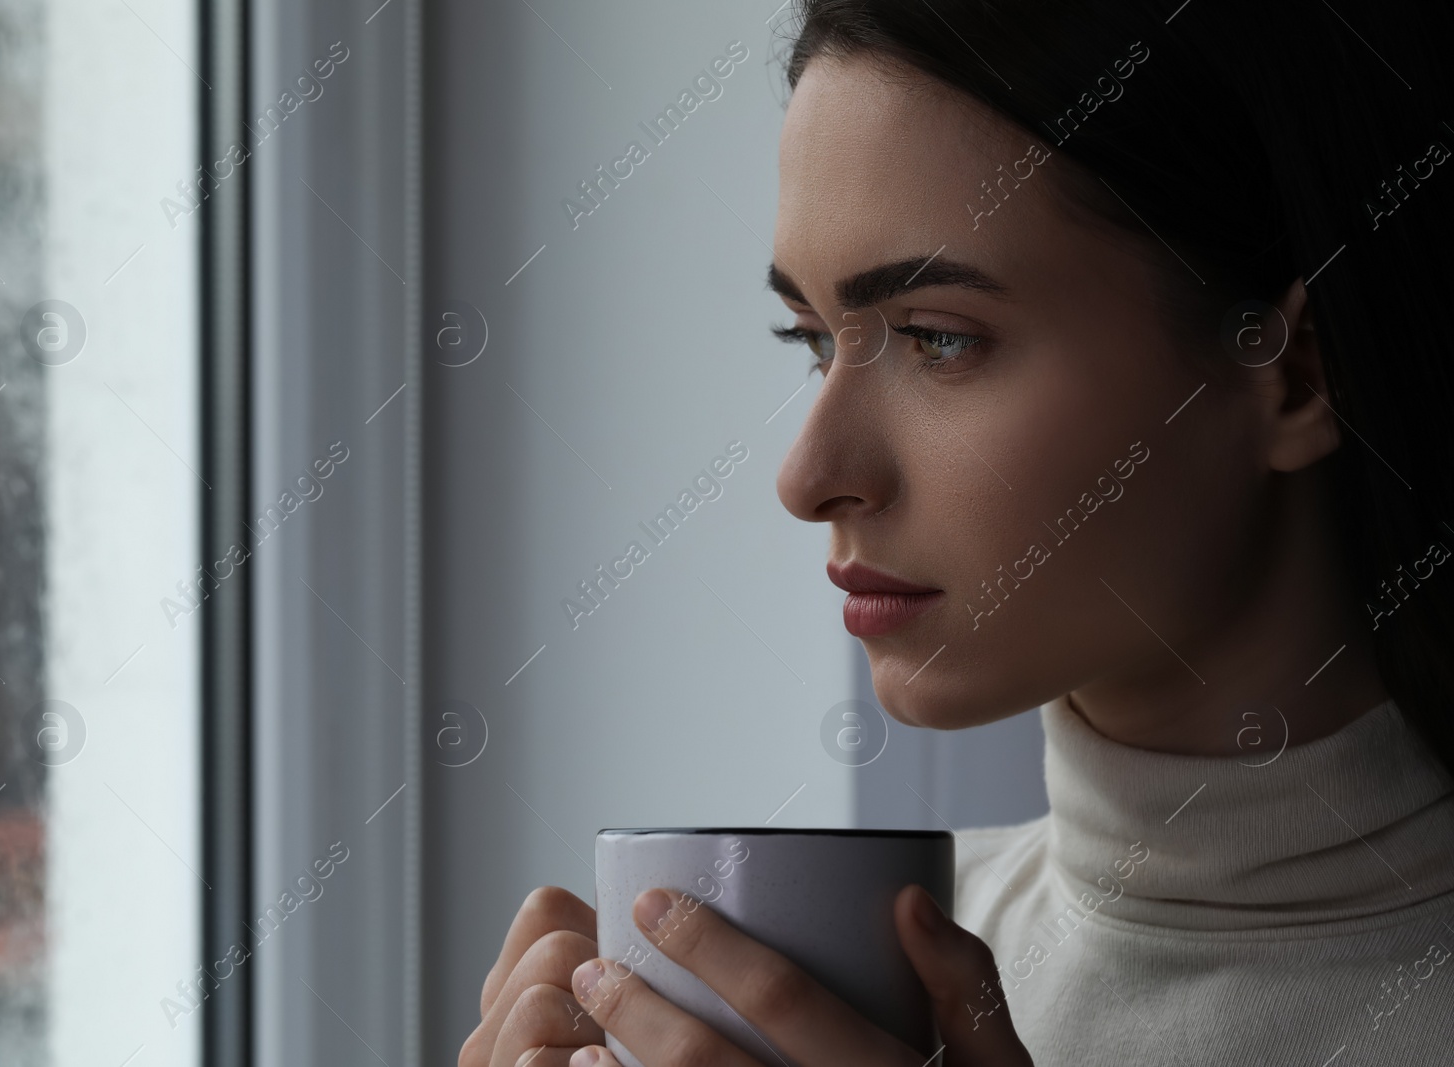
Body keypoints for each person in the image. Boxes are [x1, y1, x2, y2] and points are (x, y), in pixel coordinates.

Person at [460, 1, 1454, 1063]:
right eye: (813, 341)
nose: (806, 479)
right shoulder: (860, 984)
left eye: (937, 339)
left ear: (1296, 373)